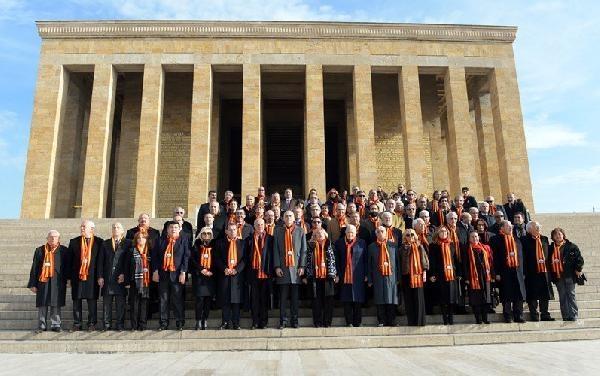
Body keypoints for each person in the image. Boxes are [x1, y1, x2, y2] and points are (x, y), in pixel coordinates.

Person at [28, 230, 70, 333]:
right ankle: (41, 325)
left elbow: (68, 267)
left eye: (55, 237)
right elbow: (34, 268)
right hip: (43, 281)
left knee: (56, 302)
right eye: (50, 237)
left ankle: (56, 324)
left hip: (58, 281)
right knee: (42, 302)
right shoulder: (40, 250)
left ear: (59, 239)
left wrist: (69, 279)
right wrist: (33, 284)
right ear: (47, 239)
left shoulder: (64, 251)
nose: (53, 239)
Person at [152, 221, 190, 330]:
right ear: (167, 230)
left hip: (177, 275)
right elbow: (154, 257)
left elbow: (186, 257)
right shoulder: (160, 241)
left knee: (177, 299)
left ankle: (179, 322)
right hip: (163, 274)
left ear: (179, 229)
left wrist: (183, 272)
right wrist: (155, 271)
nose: (173, 229)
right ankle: (163, 323)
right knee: (163, 299)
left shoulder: (183, 240)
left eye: (176, 227)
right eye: (171, 227)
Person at [273, 210, 307, 329]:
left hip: (296, 269)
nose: (288, 218)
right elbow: (275, 250)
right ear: (283, 218)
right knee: (283, 298)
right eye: (286, 216)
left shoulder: (300, 231)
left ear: (294, 218)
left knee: (294, 299)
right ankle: (283, 321)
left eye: (290, 216)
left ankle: (295, 320)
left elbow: (304, 251)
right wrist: (277, 267)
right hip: (283, 269)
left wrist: (302, 266)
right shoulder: (277, 231)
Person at [69, 220, 103, 331]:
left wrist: (100, 276)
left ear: (91, 229)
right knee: (76, 301)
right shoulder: (74, 242)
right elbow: (69, 261)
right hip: (77, 276)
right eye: (81, 226)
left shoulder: (99, 242)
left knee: (92, 300)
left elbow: (100, 262)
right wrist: (68, 278)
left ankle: (92, 323)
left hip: (92, 276)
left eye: (84, 226)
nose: (82, 228)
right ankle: (77, 323)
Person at [491, 220, 526, 323]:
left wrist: (523, 272)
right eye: (508, 226)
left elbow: (522, 257)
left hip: (517, 271)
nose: (511, 228)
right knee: (506, 294)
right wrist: (496, 272)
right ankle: (507, 316)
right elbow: (494, 258)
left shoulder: (517, 240)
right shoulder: (495, 239)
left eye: (511, 226)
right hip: (504, 272)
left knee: (518, 294)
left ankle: (518, 315)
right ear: (501, 228)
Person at [98, 222, 131, 331]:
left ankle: (120, 325)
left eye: (118, 227)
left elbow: (129, 262)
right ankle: (106, 325)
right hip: (107, 278)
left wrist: (125, 275)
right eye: (114, 227)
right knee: (107, 304)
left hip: (120, 278)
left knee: (120, 304)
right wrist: (100, 276)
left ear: (122, 231)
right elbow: (100, 261)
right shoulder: (105, 243)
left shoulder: (128, 243)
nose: (115, 229)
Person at [214, 223, 246, 330]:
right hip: (225, 275)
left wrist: (237, 270)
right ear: (226, 231)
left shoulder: (242, 243)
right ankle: (225, 322)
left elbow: (245, 259)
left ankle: (236, 323)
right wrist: (224, 269)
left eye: (234, 229)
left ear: (237, 231)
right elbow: (216, 258)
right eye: (230, 230)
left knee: (236, 301)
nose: (232, 231)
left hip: (237, 276)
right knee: (225, 300)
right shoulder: (220, 243)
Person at [335, 224, 367, 327]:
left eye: (352, 232)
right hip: (344, 275)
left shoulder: (362, 243)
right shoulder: (339, 243)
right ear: (345, 232)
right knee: (347, 300)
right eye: (348, 232)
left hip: (358, 276)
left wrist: (366, 274)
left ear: (356, 233)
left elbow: (365, 259)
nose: (350, 234)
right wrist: (337, 274)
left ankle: (358, 322)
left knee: (358, 300)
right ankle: (349, 322)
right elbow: (336, 260)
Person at [521, 221, 555, 322]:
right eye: (536, 227)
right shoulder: (524, 240)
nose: (539, 228)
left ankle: (545, 314)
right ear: (529, 229)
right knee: (532, 295)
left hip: (544, 271)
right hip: (531, 272)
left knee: (545, 294)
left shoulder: (544, 239)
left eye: (539, 226)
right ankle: (534, 315)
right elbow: (523, 257)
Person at [549, 227, 584, 321]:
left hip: (569, 275)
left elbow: (579, 259)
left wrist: (578, 269)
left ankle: (573, 315)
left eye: (559, 234)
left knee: (571, 295)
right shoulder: (551, 248)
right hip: (558, 276)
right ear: (553, 237)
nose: (558, 236)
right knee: (562, 296)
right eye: (555, 234)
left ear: (563, 235)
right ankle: (565, 315)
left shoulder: (571, 246)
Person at [304, 228, 337, 328]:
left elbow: (337, 260)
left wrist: (336, 274)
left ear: (325, 234)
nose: (319, 235)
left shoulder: (330, 245)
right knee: (316, 301)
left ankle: (327, 322)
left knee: (328, 301)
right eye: (317, 234)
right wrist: (305, 275)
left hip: (328, 277)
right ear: (314, 236)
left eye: (321, 233)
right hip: (315, 277)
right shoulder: (310, 246)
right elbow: (306, 261)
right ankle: (317, 322)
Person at [367, 226, 400, 327]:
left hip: (391, 277)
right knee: (379, 299)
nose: (380, 233)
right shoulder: (371, 247)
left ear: (386, 233)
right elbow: (369, 264)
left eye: (382, 231)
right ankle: (381, 320)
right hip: (378, 276)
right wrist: (370, 279)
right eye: (378, 232)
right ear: (376, 234)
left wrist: (398, 278)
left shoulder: (393, 245)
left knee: (391, 299)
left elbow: (397, 263)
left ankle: (392, 320)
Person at [428, 226, 460, 325]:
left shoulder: (452, 244)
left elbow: (455, 260)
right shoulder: (433, 245)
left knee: (451, 297)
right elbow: (432, 261)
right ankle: (445, 319)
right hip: (440, 274)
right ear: (438, 233)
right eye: (441, 231)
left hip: (451, 274)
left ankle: (450, 317)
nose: (444, 233)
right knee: (442, 297)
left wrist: (458, 273)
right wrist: (432, 274)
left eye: (445, 231)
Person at [400, 229, 429, 326]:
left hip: (418, 275)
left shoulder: (420, 246)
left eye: (412, 234)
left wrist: (424, 273)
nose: (410, 236)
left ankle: (420, 321)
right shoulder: (401, 248)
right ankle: (411, 321)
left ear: (415, 236)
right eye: (408, 235)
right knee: (408, 299)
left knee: (419, 298)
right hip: (406, 275)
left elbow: (424, 260)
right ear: (405, 237)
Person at [248, 218, 273, 329]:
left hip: (266, 273)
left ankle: (263, 321)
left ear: (265, 225)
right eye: (257, 224)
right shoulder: (249, 239)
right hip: (253, 273)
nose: (260, 226)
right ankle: (255, 321)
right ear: (254, 226)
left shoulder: (270, 239)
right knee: (254, 299)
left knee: (264, 298)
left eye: (262, 224)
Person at [190, 227, 216, 330]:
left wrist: (210, 271)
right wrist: (202, 270)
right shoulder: (196, 245)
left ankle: (205, 319)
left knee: (208, 300)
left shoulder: (215, 245)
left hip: (210, 276)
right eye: (204, 233)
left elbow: (217, 258)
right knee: (199, 300)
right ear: (201, 234)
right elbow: (193, 260)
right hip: (199, 276)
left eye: (209, 233)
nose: (206, 235)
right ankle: (198, 320)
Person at [464, 232, 493, 324]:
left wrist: (491, 274)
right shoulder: (466, 249)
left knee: (485, 297)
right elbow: (464, 265)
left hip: (485, 275)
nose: (474, 238)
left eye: (476, 236)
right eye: (472, 237)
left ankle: (485, 318)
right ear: (469, 239)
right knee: (476, 298)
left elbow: (490, 262)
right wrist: (467, 277)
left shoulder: (485, 248)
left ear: (479, 237)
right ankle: (478, 319)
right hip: (473, 277)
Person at [129, 231, 152, 331]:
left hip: (147, 281)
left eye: (143, 238)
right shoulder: (131, 251)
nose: (141, 239)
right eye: (138, 238)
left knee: (144, 303)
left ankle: (142, 324)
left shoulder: (150, 251)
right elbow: (127, 266)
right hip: (135, 281)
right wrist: (127, 282)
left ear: (146, 240)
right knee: (134, 304)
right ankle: (134, 325)